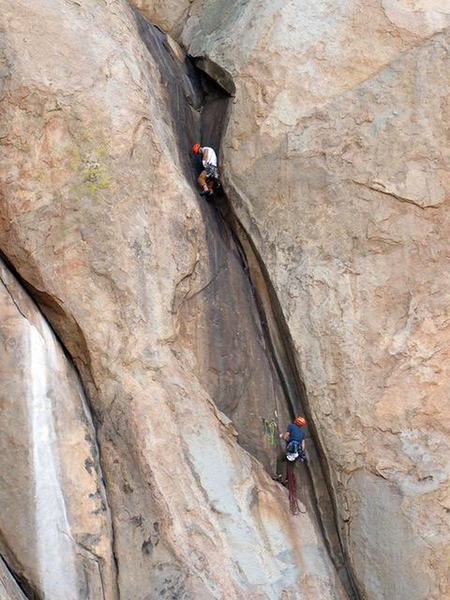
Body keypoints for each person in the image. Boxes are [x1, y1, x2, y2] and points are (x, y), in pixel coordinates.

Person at [274, 416, 307, 483]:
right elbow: (303, 445)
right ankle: (287, 481)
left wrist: (282, 436)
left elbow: (286, 436)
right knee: (291, 466)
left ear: (296, 421)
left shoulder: (291, 426)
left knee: (280, 458)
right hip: (298, 451)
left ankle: (279, 476)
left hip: (291, 448)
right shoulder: (302, 432)